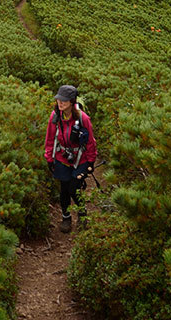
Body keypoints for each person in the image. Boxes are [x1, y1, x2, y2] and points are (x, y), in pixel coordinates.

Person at [44, 84, 97, 232]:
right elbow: (49, 138)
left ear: (72, 102)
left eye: (64, 100)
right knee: (64, 190)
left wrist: (91, 161)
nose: (60, 103)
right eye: (59, 100)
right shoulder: (55, 116)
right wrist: (49, 157)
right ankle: (66, 217)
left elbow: (90, 141)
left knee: (74, 189)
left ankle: (82, 213)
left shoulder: (83, 118)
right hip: (62, 158)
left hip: (81, 159)